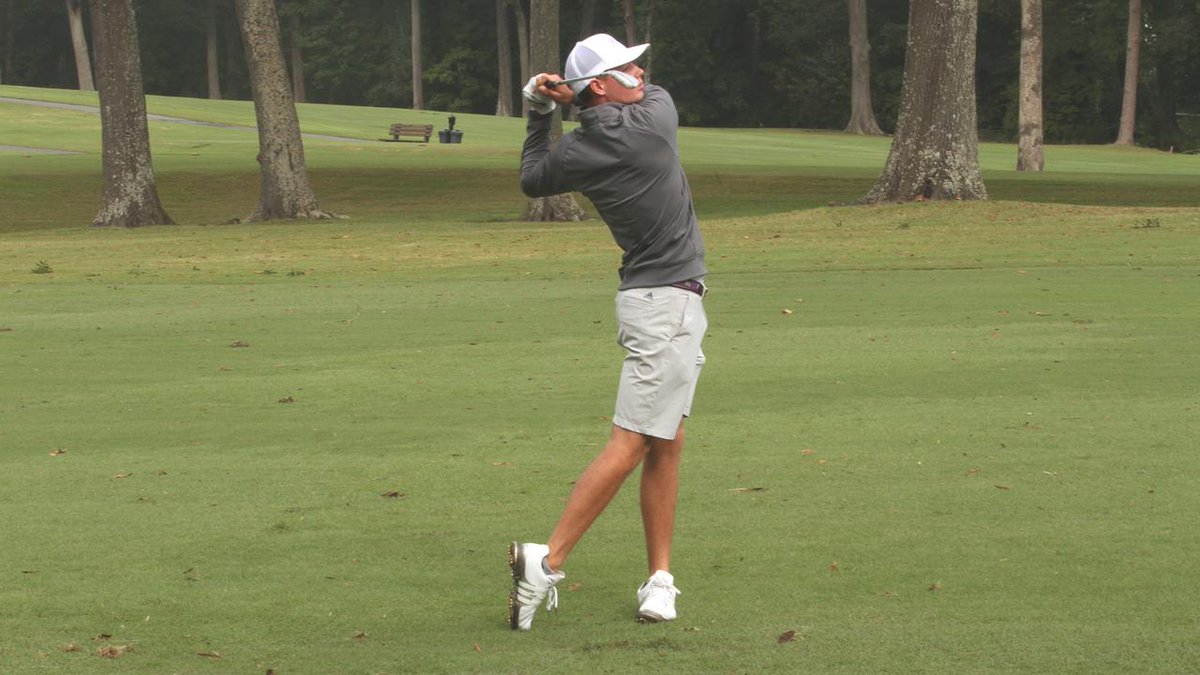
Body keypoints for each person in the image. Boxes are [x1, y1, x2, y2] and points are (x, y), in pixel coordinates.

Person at [509, 33, 708, 631]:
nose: (640, 73)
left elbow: (532, 177)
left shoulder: (578, 149)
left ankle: (659, 579)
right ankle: (547, 561)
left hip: (655, 301)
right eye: (627, 67)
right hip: (667, 306)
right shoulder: (652, 122)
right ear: (600, 84)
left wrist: (541, 111)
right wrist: (567, 98)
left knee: (666, 440)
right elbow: (656, 93)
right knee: (632, 443)